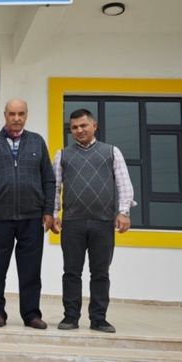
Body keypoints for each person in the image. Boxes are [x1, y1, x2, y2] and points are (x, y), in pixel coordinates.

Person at [51, 108, 135, 333]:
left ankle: (99, 319)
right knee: (71, 272)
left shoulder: (111, 152)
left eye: (83, 126)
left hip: (103, 222)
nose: (79, 130)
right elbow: (55, 187)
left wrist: (124, 211)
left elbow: (123, 184)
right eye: (74, 128)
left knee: (100, 273)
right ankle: (70, 317)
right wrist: (54, 213)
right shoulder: (63, 154)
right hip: (72, 223)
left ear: (94, 126)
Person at [0, 99, 55, 329]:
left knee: (31, 269)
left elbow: (49, 179)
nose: (16, 118)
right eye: (12, 113)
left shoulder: (37, 141)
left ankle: (31, 314)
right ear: (5, 114)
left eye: (20, 113)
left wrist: (48, 210)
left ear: (26, 115)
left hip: (32, 217)